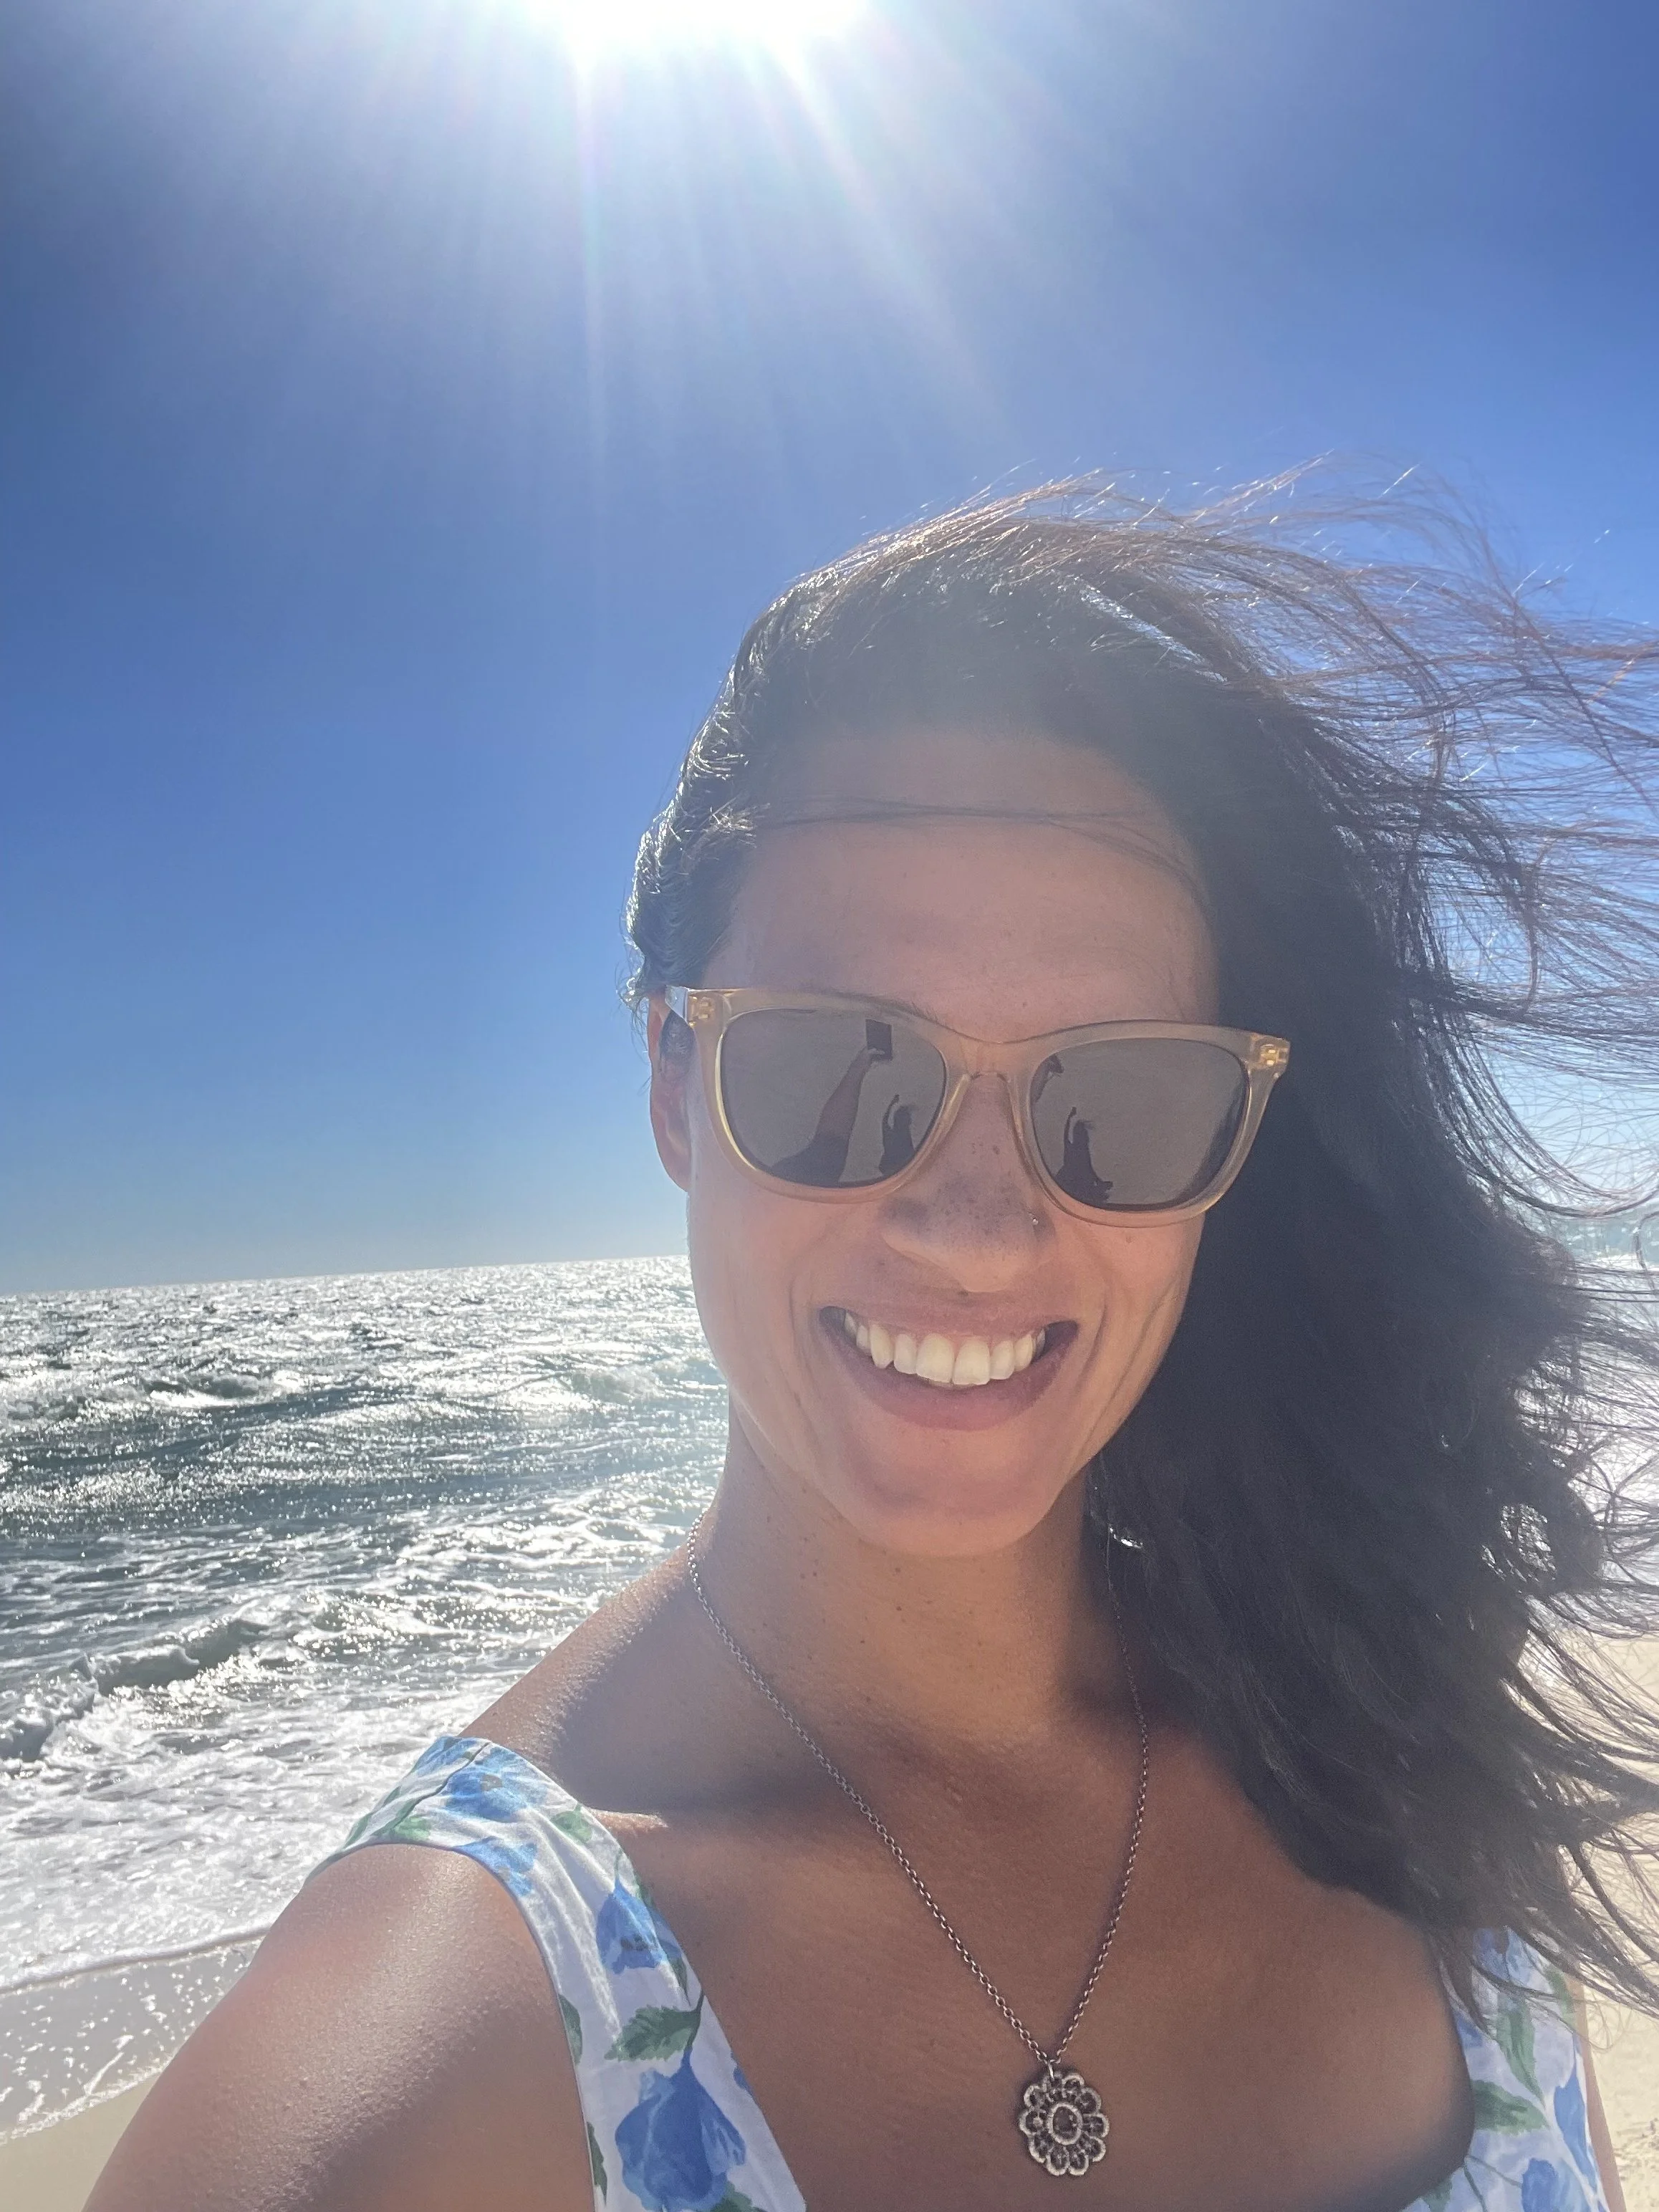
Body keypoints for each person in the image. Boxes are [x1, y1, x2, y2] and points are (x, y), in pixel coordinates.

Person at [91, 482, 1659, 2212]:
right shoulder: (442, 2064)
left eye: (1125, 1092)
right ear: (678, 1091)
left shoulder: (1403, 1749)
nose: (977, 1222)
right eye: (840, 1068)